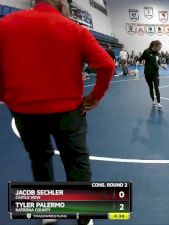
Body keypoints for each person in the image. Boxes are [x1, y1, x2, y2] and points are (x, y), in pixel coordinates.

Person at [0, 1, 115, 225]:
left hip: (25, 111)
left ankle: (48, 211)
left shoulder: (5, 25)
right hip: (68, 112)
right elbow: (107, 65)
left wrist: (7, 97)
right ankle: (84, 216)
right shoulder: (75, 29)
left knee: (40, 159)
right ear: (61, 4)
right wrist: (94, 98)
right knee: (76, 162)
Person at [138, 40, 167, 108]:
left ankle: (159, 103)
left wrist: (163, 66)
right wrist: (136, 67)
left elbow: (159, 62)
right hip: (147, 73)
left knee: (156, 88)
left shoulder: (158, 53)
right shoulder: (146, 51)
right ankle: (153, 101)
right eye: (159, 47)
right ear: (154, 46)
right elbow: (140, 59)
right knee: (151, 88)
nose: (160, 48)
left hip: (155, 73)